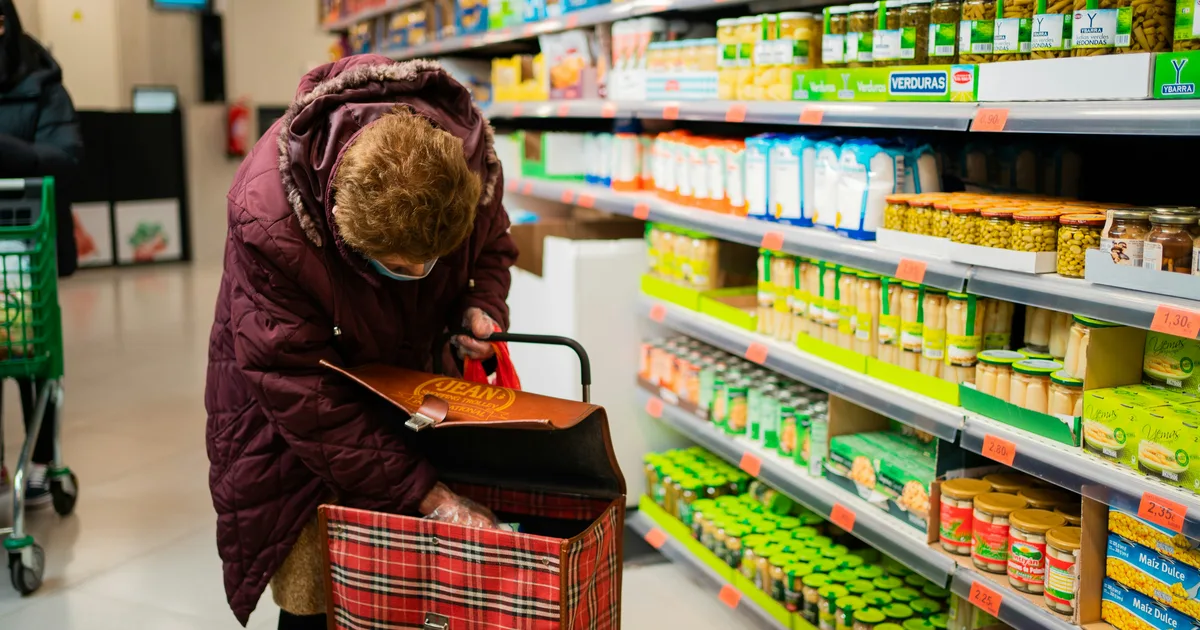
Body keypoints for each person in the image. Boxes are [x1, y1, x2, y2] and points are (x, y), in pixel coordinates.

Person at [205, 55, 518, 629]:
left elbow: (492, 247)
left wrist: (480, 304)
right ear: (345, 235)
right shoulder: (269, 217)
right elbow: (299, 389)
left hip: (411, 391)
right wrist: (423, 492)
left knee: (413, 593)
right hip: (297, 427)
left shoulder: (466, 171)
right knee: (316, 588)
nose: (421, 272)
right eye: (400, 266)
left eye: (434, 261)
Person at [0, 0, 81, 506]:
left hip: (26, 251)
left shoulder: (43, 84)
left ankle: (41, 459)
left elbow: (66, 159)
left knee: (30, 354)